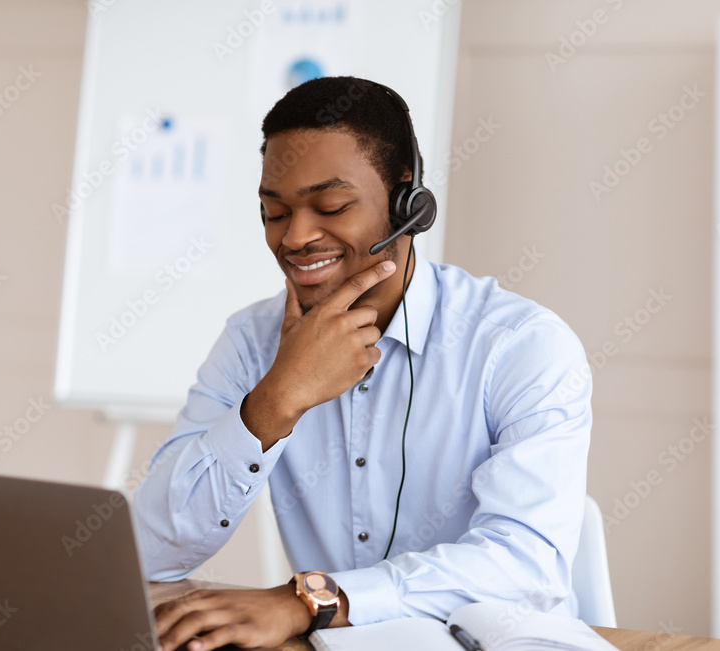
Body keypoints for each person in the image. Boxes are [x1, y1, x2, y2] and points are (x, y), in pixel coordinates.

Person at [133, 76, 593, 651]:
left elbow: (525, 567)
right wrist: (276, 399)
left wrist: (313, 599)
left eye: (331, 206)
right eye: (274, 213)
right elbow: (151, 551)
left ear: (409, 202)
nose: (296, 237)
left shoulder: (520, 346)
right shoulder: (250, 341)